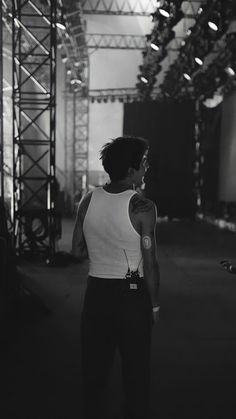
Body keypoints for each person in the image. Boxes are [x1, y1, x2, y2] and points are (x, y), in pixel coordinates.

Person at [72, 136, 160, 419]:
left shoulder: (87, 201)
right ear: (132, 169)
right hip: (132, 299)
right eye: (144, 162)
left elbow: (76, 249)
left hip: (96, 295)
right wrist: (154, 305)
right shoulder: (143, 208)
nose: (147, 167)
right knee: (135, 372)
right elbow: (150, 261)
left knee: (94, 372)